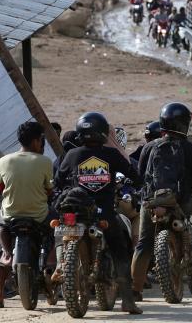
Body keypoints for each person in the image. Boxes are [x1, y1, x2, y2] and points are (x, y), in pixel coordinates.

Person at [54, 112, 142, 314]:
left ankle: (59, 267)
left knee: (59, 236)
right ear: (102, 133)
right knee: (120, 251)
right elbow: (132, 174)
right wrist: (138, 181)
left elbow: (58, 180)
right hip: (103, 213)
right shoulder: (111, 154)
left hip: (75, 211)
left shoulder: (72, 155)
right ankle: (128, 301)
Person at [132, 103, 192, 301]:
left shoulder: (148, 147)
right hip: (180, 203)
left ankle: (134, 290)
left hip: (150, 204)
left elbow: (141, 176)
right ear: (183, 124)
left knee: (143, 244)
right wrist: (183, 195)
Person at [0, 122, 54, 308]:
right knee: (55, 225)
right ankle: (51, 262)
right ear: (36, 141)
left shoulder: (3, 161)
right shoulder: (45, 161)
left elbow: (0, 188)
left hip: (11, 215)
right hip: (38, 215)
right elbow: (49, 190)